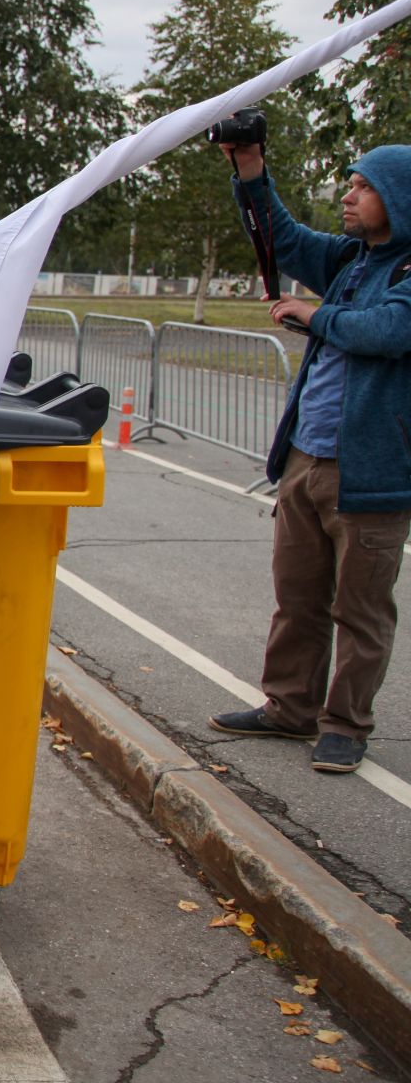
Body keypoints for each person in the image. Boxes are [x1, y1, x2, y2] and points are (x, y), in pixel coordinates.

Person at [207, 141, 411, 774]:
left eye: (363, 187)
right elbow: (285, 242)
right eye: (349, 184)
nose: (348, 196)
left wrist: (315, 314)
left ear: (400, 201)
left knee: (360, 608)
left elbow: (389, 331)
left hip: (370, 473)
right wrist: (249, 168)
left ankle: (346, 724)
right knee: (298, 595)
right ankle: (290, 708)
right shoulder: (352, 258)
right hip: (306, 459)